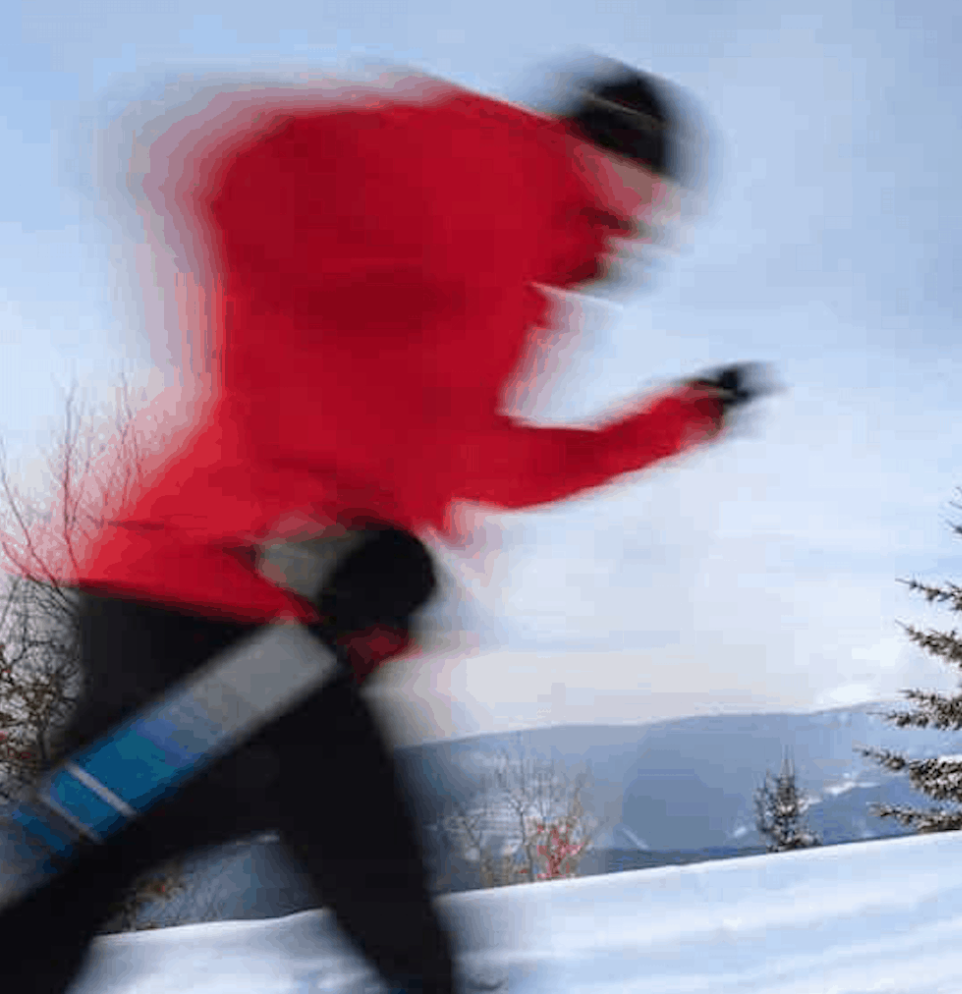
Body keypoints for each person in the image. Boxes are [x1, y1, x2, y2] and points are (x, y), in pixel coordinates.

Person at [0, 57, 766, 994]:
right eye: (659, 196)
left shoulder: (518, 289)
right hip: (220, 600)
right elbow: (243, 168)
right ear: (622, 158)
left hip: (244, 624)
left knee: (65, 887)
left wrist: (679, 420)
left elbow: (494, 465)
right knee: (387, 909)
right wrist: (304, 515)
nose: (653, 229)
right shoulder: (499, 169)